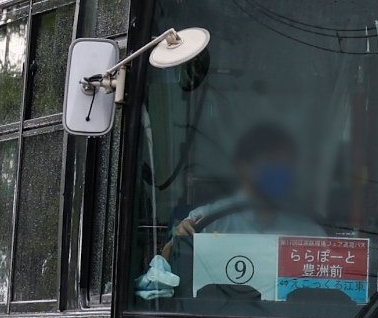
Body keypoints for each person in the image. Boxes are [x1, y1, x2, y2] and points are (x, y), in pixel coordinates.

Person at [138, 121, 330, 300]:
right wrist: (176, 245)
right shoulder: (202, 222)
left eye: (286, 164)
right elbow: (159, 288)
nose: (280, 171)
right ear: (244, 166)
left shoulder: (310, 233)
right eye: (272, 162)